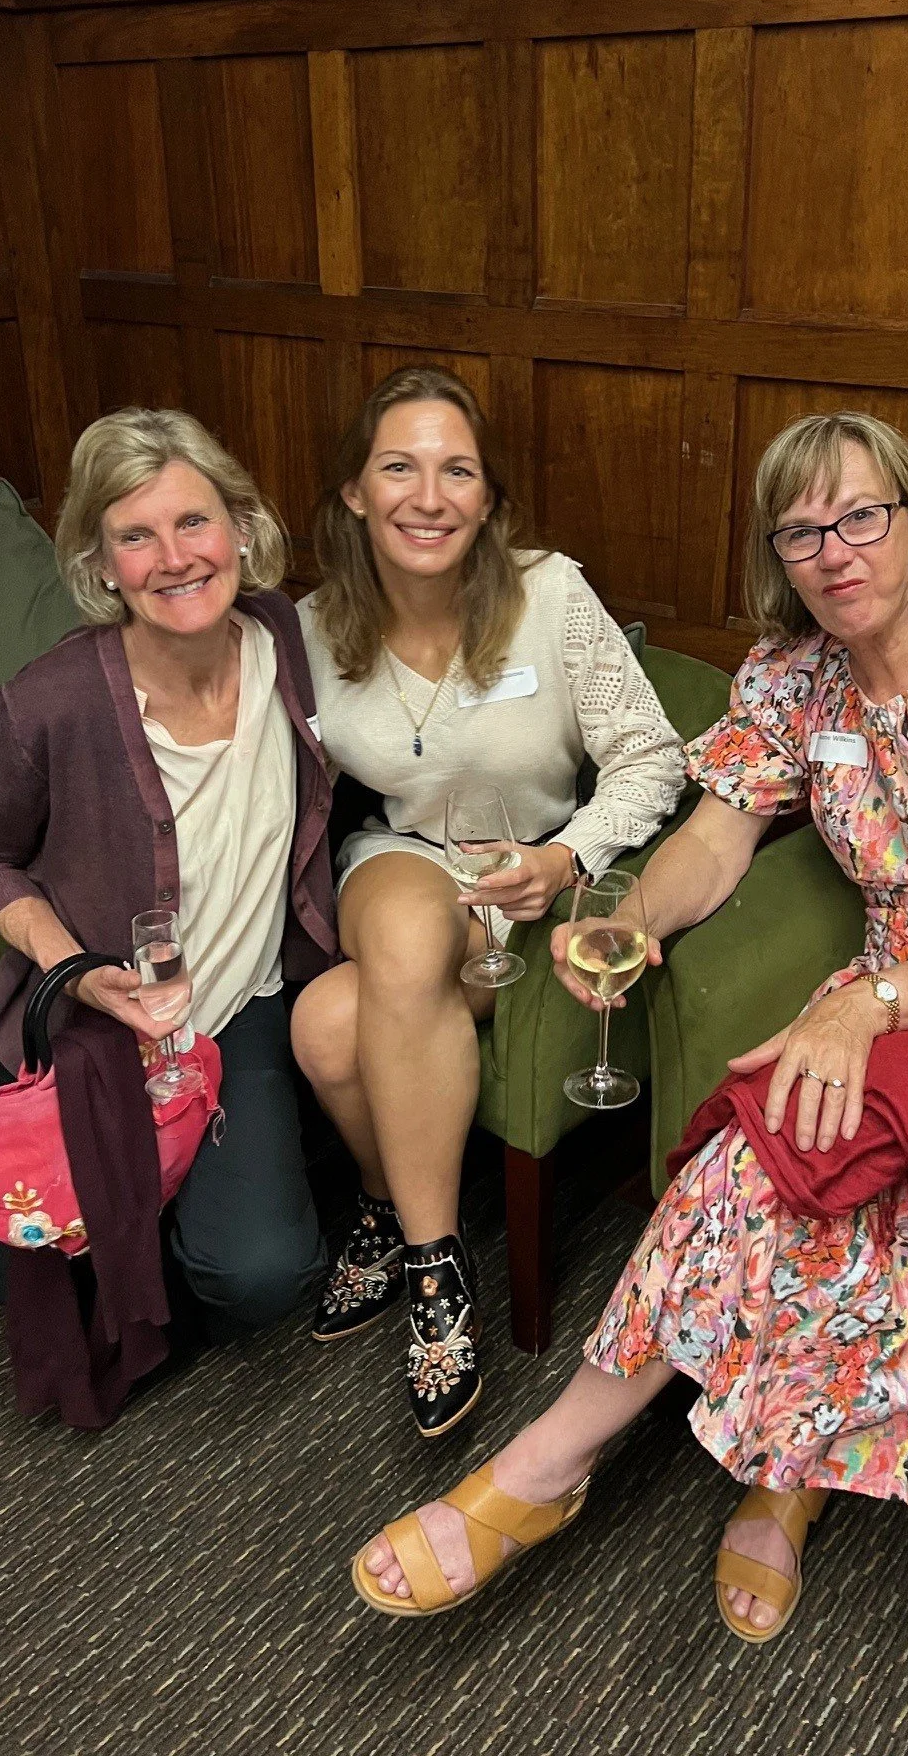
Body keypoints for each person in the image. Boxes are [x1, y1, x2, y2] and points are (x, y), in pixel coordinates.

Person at [349, 410, 908, 1635]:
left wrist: (866, 1006)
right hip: (894, 993)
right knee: (798, 1162)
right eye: (801, 531)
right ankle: (778, 1474)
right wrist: (637, 922)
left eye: (860, 517)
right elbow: (715, 835)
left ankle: (552, 1471)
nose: (835, 552)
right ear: (777, 555)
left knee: (781, 1152)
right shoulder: (795, 679)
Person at [0, 409, 337, 1343]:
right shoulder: (49, 704)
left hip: (244, 1012)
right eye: (135, 535)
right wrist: (75, 967)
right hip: (107, 1030)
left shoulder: (285, 640)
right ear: (101, 563)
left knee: (266, 1279)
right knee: (99, 1280)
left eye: (194, 522)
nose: (174, 557)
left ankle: (136, 1246)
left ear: (241, 527)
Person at [292, 365, 685, 1437]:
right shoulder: (314, 630)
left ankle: (382, 1208)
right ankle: (437, 1271)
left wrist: (568, 857)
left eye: (455, 469)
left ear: (487, 496)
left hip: (533, 883)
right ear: (354, 495)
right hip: (401, 861)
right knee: (412, 932)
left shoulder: (550, 594)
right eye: (399, 468)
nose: (429, 495)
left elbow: (652, 758)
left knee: (328, 1029)